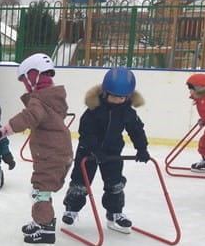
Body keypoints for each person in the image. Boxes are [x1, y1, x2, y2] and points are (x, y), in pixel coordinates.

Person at [0, 53, 73, 246]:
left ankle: (44, 234)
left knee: (41, 191)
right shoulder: (54, 96)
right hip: (59, 150)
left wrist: (5, 130)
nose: (25, 86)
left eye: (25, 80)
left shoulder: (39, 100)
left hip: (49, 153)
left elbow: (30, 116)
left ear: (33, 76)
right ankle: (41, 223)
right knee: (43, 189)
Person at [61, 67, 150, 234]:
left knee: (115, 184)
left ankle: (115, 213)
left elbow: (136, 130)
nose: (117, 100)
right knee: (80, 183)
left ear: (128, 96)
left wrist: (142, 148)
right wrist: (93, 149)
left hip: (112, 153)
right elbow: (86, 132)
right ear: (105, 92)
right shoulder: (94, 110)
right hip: (87, 152)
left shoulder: (128, 112)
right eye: (114, 96)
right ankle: (71, 209)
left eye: (122, 97)